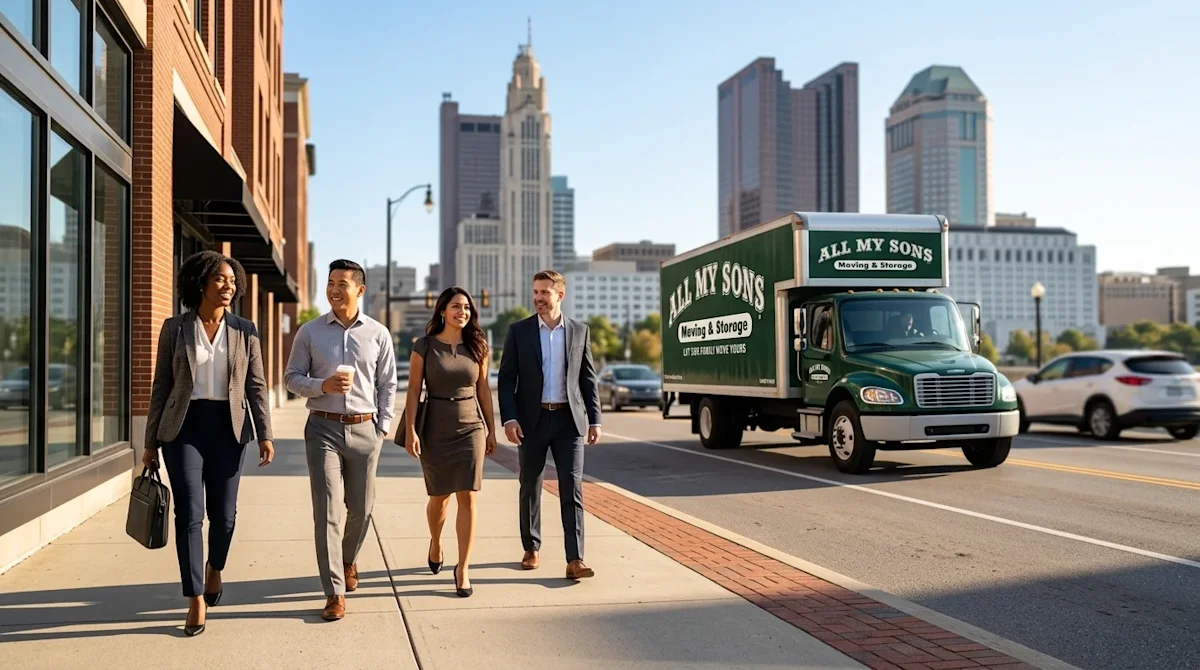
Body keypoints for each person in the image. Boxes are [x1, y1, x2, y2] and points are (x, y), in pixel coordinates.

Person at [143, 251, 275, 637]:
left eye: (232, 281)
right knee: (189, 513)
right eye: (220, 279)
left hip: (229, 427)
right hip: (183, 428)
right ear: (200, 282)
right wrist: (150, 441)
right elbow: (161, 387)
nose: (228, 286)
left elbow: (256, 386)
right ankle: (195, 596)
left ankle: (215, 566)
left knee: (225, 516)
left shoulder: (245, 330)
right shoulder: (175, 328)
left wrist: (265, 433)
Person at [284, 259, 397, 621]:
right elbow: (290, 378)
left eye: (342, 283)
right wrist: (322, 386)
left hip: (366, 429)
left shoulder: (378, 334)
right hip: (323, 429)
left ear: (360, 290)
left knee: (361, 509)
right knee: (328, 511)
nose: (333, 289)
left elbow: (388, 384)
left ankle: (348, 559)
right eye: (330, 282)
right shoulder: (309, 332)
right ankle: (334, 592)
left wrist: (382, 427)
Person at [498, 270, 602, 580]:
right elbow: (506, 379)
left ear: (560, 295)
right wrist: (510, 418)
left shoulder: (579, 331)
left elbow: (587, 377)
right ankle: (531, 547)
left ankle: (575, 559)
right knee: (530, 485)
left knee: (572, 488)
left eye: (545, 292)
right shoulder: (519, 331)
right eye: (535, 292)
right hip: (532, 420)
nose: (538, 298)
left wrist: (594, 419)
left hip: (569, 421)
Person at [403, 288, 498, 598]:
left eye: (467, 307)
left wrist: (491, 430)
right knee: (439, 498)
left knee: (468, 496)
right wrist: (411, 431)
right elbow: (414, 389)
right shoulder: (424, 346)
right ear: (442, 310)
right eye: (456, 306)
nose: (463, 311)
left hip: (470, 425)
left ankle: (463, 569)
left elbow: (483, 389)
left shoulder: (479, 346)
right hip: (435, 427)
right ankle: (435, 541)